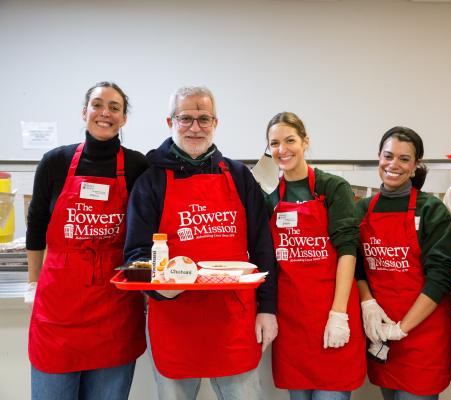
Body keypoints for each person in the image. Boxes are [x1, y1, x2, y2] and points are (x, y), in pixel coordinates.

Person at [124, 85, 277, 400]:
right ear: (171, 123)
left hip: (233, 319)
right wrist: (158, 288)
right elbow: (136, 253)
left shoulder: (238, 176)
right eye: (186, 118)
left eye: (204, 119)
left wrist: (268, 307)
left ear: (215, 123)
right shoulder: (151, 181)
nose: (195, 127)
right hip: (174, 320)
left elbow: (263, 246)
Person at [26, 81, 148, 400]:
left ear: (123, 118)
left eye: (114, 107)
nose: (104, 112)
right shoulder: (55, 161)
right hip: (58, 310)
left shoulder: (137, 166)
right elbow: (37, 223)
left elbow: (148, 227)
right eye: (97, 104)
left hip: (115, 309)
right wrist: (32, 283)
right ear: (85, 112)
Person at [264, 112, 366, 400]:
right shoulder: (270, 196)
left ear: (305, 142)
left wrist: (339, 313)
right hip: (292, 322)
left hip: (332, 312)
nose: (282, 149)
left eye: (290, 140)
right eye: (274, 143)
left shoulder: (332, 187)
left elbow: (348, 249)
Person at [355, 127, 451, 400]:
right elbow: (356, 266)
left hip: (423, 335)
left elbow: (441, 276)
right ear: (378, 157)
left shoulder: (432, 210)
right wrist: (368, 304)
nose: (394, 165)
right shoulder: (363, 209)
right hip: (380, 333)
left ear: (415, 166)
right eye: (388, 156)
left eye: (404, 159)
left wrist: (402, 328)